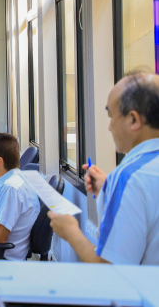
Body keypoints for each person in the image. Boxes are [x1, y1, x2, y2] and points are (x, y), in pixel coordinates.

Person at [49, 72, 159, 265]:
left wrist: (70, 231)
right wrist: (110, 191)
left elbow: (110, 268)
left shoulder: (129, 178)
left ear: (133, 120)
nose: (109, 128)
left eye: (111, 117)